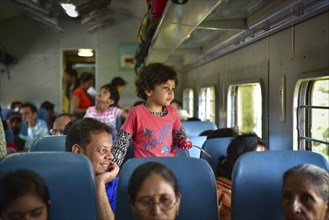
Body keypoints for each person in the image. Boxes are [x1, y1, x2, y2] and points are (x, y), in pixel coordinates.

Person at [112, 63, 190, 167]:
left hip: (167, 165)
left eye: (173, 89)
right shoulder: (136, 113)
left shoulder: (172, 112)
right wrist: (114, 166)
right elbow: (122, 142)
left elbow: (179, 134)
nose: (171, 93)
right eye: (166, 88)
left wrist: (183, 140)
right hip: (143, 167)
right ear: (148, 90)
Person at [65, 117, 119, 220]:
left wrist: (100, 183)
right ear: (77, 151)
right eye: (102, 150)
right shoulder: (59, 182)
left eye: (110, 149)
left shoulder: (114, 184)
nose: (111, 156)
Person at [216, 133, 269, 220]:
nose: (261, 165)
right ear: (236, 161)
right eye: (255, 160)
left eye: (264, 159)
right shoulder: (219, 192)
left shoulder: (269, 189)